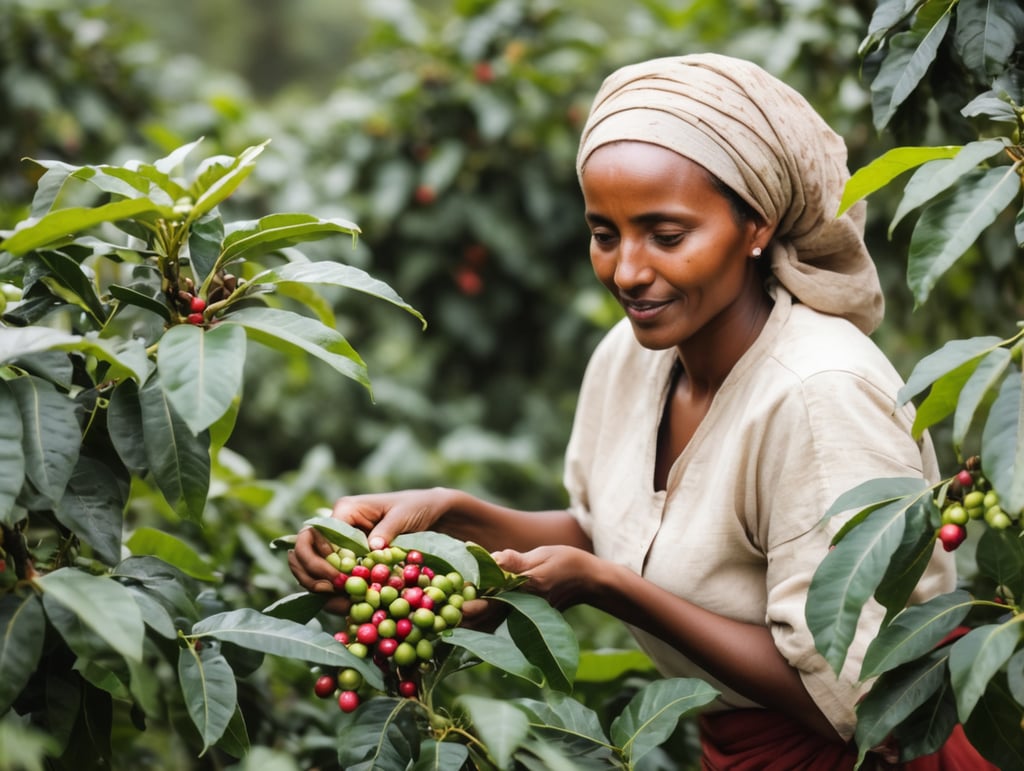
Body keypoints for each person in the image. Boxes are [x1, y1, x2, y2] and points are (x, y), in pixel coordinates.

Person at [290, 53, 993, 769]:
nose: (626, 271)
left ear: (757, 225)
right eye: (605, 234)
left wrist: (606, 589)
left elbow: (854, 697)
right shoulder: (633, 356)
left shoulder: (819, 394)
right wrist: (449, 515)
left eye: (667, 235)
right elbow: (609, 533)